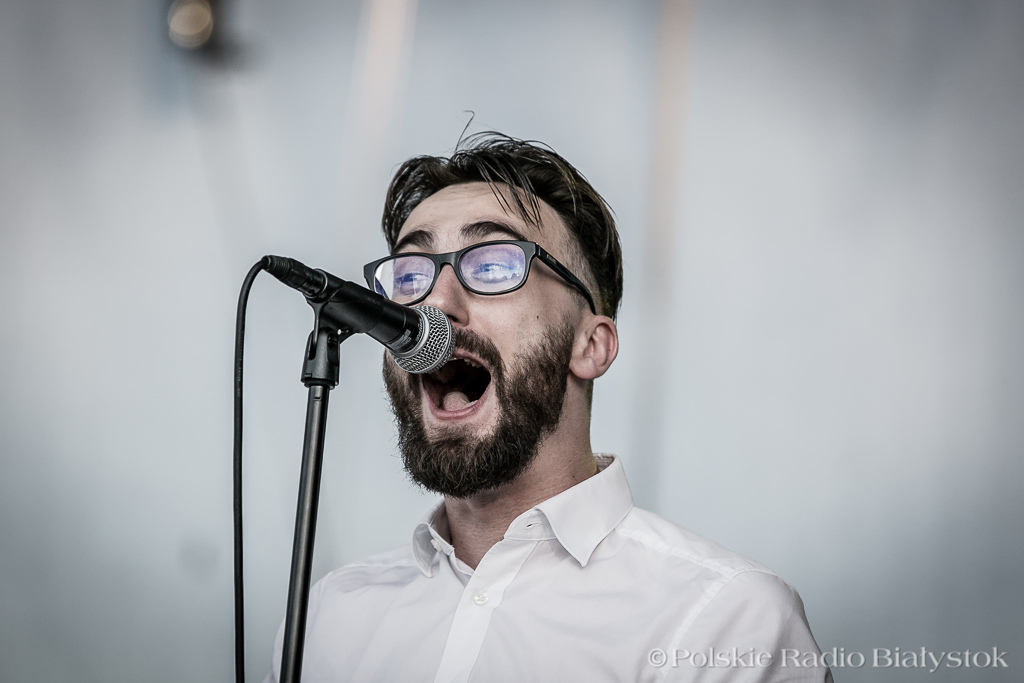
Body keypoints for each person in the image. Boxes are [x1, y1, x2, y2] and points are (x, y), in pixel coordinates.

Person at [266, 133, 832, 682]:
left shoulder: (725, 621)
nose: (434, 305)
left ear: (592, 345)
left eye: (492, 266)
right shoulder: (329, 617)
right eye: (411, 274)